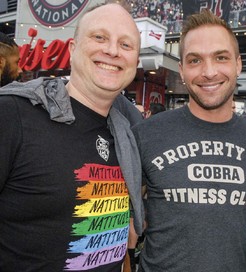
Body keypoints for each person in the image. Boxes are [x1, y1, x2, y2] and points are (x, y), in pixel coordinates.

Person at [0, 3, 145, 271]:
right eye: (99, 37)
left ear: (135, 63)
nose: (112, 51)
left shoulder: (129, 137)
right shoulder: (12, 115)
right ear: (73, 49)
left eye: (126, 45)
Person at [133, 9, 246, 272]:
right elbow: (123, 221)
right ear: (182, 69)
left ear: (238, 64)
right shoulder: (146, 135)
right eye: (195, 60)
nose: (209, 72)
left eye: (220, 57)